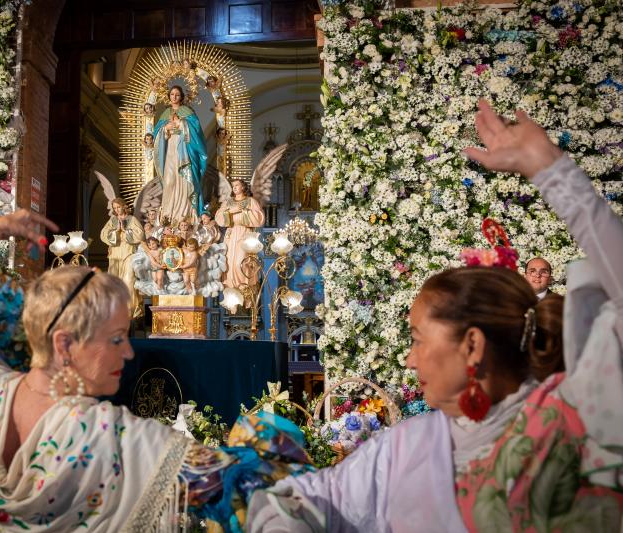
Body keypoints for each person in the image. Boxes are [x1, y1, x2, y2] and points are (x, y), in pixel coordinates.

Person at [248, 99, 623, 531]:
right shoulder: (408, 445)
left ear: (472, 345)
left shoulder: (570, 420)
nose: (409, 359)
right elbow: (309, 502)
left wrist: (551, 170)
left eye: (418, 339)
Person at [0, 210, 314, 532]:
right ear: (64, 344)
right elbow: (249, 488)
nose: (129, 354)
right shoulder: (107, 437)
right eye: (116, 338)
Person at [153, 85, 207, 221]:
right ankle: (168, 216)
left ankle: (185, 215)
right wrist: (165, 128)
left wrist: (181, 123)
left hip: (184, 150)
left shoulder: (187, 111)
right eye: (172, 94)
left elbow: (197, 132)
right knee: (169, 181)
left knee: (184, 180)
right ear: (169, 96)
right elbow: (156, 135)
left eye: (177, 94)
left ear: (181, 97)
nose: (174, 97)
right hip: (170, 149)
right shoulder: (165, 114)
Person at [215, 178, 266, 290]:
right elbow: (218, 217)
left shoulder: (251, 201)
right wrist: (230, 212)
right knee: (229, 265)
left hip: (245, 235)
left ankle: (245, 290)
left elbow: (259, 218)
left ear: (243, 187)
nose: (235, 187)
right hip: (231, 235)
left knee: (241, 264)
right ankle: (231, 292)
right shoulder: (227, 202)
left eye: (237, 185)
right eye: (233, 186)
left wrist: (243, 212)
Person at [100, 197, 144, 315]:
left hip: (128, 252)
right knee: (115, 281)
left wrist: (125, 230)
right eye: (115, 208)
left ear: (124, 206)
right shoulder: (113, 220)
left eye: (118, 207)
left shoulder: (131, 219)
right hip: (115, 254)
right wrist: (115, 232)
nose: (117, 209)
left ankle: (130, 310)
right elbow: (103, 235)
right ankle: (115, 309)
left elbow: (140, 235)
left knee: (128, 280)